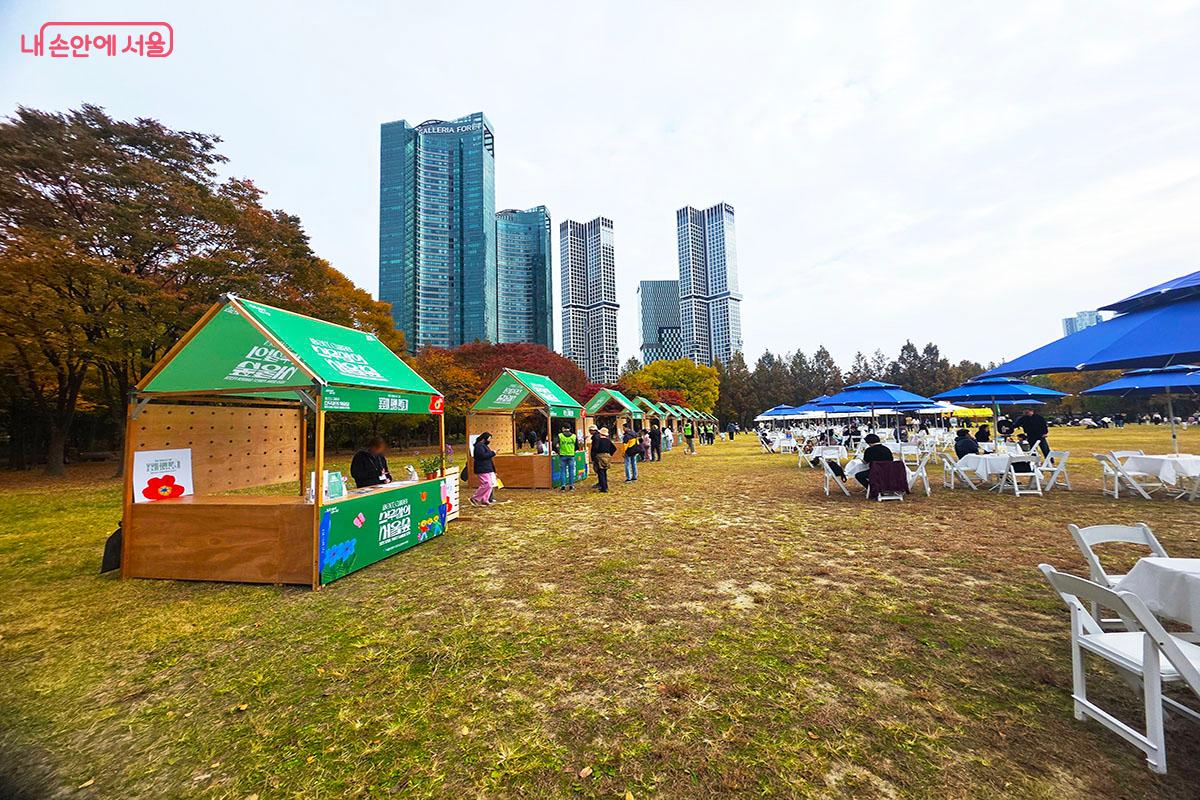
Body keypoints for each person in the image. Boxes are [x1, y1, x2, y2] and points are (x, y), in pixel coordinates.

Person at [471, 432, 498, 506]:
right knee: (487, 484)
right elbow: (482, 455)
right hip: (482, 468)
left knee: (490, 484)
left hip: (487, 468)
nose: (489, 441)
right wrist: (493, 453)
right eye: (489, 439)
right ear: (484, 439)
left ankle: (485, 499)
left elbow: (488, 457)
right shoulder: (479, 446)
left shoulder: (484, 446)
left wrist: (493, 469)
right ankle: (475, 498)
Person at [590, 426, 617, 492]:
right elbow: (614, 448)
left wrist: (593, 457)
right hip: (607, 456)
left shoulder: (598, 440)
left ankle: (604, 487)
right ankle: (605, 486)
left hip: (600, 456)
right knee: (604, 471)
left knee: (600, 472)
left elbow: (595, 449)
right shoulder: (608, 440)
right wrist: (609, 454)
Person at [555, 424, 580, 491]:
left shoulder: (560, 436)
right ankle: (571, 485)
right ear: (570, 428)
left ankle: (563, 486)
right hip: (571, 455)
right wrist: (572, 450)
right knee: (571, 471)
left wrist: (558, 451)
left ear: (563, 428)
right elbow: (577, 446)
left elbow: (555, 444)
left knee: (563, 471)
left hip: (562, 455)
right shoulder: (574, 436)